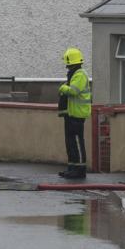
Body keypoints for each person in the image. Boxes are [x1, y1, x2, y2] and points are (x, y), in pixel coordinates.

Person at [57, 48, 91, 179]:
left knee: (77, 141)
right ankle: (72, 168)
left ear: (72, 62)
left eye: (67, 63)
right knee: (70, 142)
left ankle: (80, 170)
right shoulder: (74, 74)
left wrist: (63, 87)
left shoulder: (80, 74)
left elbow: (74, 91)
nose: (66, 66)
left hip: (77, 115)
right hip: (71, 114)